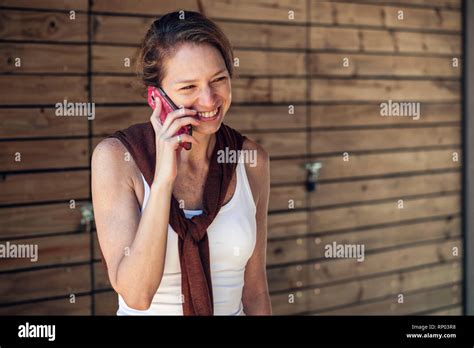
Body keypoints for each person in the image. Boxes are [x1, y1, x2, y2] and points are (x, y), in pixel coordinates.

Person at [91, 11, 272, 315]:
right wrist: (162, 180)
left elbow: (255, 292)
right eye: (189, 87)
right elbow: (137, 294)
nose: (209, 99)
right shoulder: (116, 159)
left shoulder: (250, 160)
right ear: (156, 97)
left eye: (219, 80)